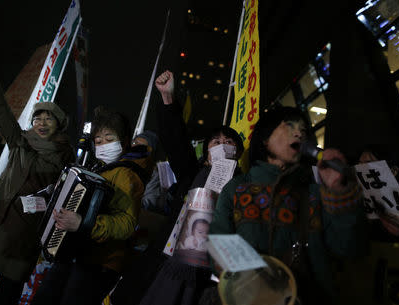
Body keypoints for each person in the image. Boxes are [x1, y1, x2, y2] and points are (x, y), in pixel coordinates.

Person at [210, 106, 369, 305]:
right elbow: (219, 243)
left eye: (303, 131)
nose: (298, 134)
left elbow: (350, 249)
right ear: (265, 139)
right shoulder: (236, 188)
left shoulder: (317, 194)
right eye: (290, 126)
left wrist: (340, 191)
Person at [0, 56, 75, 305]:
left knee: (8, 294)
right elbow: (0, 112)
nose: (41, 123)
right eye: (38, 118)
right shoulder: (20, 141)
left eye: (48, 119)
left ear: (59, 125)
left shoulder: (65, 156)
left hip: (24, 235)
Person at [137, 70, 244, 305]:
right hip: (168, 262)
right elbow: (175, 139)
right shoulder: (191, 173)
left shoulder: (244, 187)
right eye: (216, 142)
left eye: (229, 142)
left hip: (209, 274)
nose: (223, 145)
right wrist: (167, 98)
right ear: (206, 154)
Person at [31, 106, 155, 305]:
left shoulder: (126, 174)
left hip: (100, 262)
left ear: (124, 142)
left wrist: (84, 224)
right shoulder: (100, 168)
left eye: (109, 139)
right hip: (77, 254)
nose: (103, 145)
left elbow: (126, 224)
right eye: (98, 141)